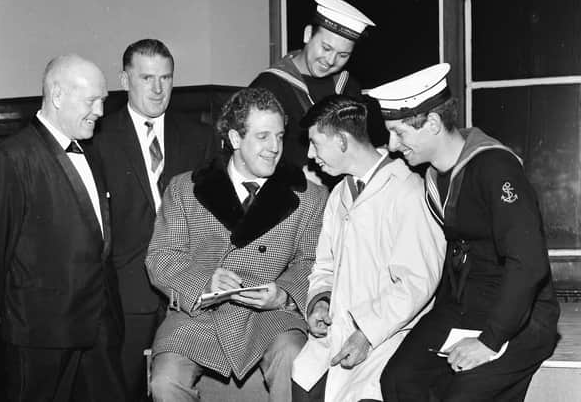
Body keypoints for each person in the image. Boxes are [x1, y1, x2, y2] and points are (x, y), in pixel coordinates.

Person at [367, 63, 560, 401]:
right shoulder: (434, 175)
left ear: (432, 124)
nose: (393, 145)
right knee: (399, 380)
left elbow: (528, 264)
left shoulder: (494, 168)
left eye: (399, 133)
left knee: (463, 392)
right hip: (464, 306)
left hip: (521, 314)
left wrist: (490, 340)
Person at [144, 87, 328, 402]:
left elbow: (310, 261)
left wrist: (283, 294)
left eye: (280, 136)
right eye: (263, 137)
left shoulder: (309, 197)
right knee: (165, 381)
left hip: (270, 318)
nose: (275, 148)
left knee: (294, 360)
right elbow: (161, 257)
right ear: (234, 139)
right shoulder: (186, 189)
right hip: (198, 316)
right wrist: (204, 283)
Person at [0, 54, 126, 401]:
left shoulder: (91, 154)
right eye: (91, 100)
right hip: (39, 337)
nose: (99, 110)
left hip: (99, 331)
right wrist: (6, 322)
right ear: (57, 95)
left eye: (103, 101)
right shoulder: (9, 159)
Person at [291, 95, 446, 402]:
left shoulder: (407, 191)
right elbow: (324, 266)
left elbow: (417, 284)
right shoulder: (339, 194)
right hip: (338, 334)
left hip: (387, 338)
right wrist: (320, 302)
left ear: (342, 141)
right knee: (303, 380)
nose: (310, 155)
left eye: (315, 143)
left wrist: (366, 333)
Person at [89, 38, 217, 401]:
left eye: (166, 78)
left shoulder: (200, 137)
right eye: (147, 78)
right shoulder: (98, 138)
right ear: (124, 79)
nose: (158, 89)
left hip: (186, 294)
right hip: (125, 294)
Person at [250, 0, 384, 186]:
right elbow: (252, 153)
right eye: (326, 48)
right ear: (307, 35)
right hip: (288, 193)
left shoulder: (349, 87)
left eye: (343, 55)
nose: (330, 61)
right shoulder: (269, 86)